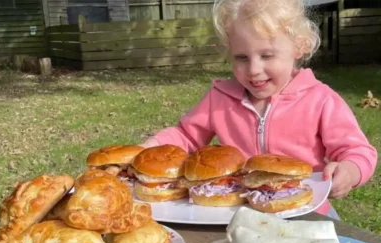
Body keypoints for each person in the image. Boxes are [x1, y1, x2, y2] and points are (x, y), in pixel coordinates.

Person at [140, 0, 378, 219]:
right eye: (241, 57)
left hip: (306, 211)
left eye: (266, 55)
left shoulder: (320, 100)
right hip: (238, 212)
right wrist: (148, 147)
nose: (254, 69)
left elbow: (356, 149)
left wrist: (350, 170)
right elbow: (186, 136)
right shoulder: (220, 98)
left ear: (299, 47)